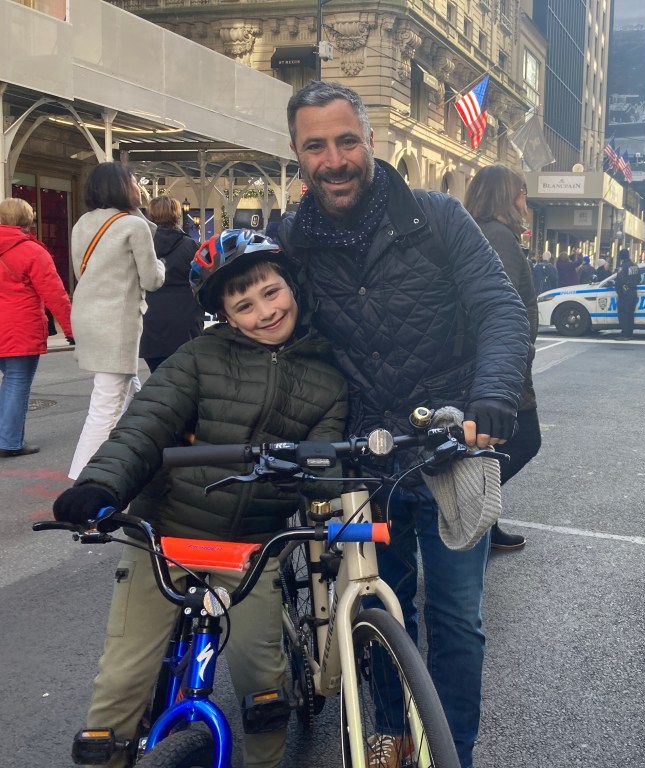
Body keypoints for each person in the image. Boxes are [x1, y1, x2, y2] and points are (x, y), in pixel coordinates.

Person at [277, 80, 528, 768]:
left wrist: (492, 398)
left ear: (370, 141)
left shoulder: (439, 216)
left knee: (456, 622)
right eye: (317, 146)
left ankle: (453, 754)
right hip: (359, 460)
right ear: (298, 155)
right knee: (375, 613)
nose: (335, 159)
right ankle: (390, 732)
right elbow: (262, 333)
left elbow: (500, 310)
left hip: (449, 446)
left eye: (347, 140)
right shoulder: (289, 240)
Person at [50, 230, 350, 768]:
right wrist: (101, 484)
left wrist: (312, 478)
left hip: (251, 549)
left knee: (266, 694)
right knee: (120, 686)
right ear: (227, 317)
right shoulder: (197, 358)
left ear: (292, 287)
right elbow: (146, 423)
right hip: (164, 538)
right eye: (244, 305)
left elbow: (324, 468)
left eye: (272, 293)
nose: (264, 311)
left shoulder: (329, 376)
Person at [68, 162, 165, 479]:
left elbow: (82, 272)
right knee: (106, 405)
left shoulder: (83, 223)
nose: (139, 187)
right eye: (134, 182)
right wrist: (161, 265)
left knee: (131, 392)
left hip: (87, 314)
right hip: (115, 320)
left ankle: (135, 456)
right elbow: (152, 279)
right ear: (122, 187)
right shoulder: (134, 227)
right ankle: (85, 478)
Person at [464, 164, 541, 553]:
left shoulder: (485, 234)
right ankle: (472, 509)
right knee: (525, 440)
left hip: (498, 363)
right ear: (506, 197)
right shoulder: (498, 237)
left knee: (491, 446)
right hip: (503, 365)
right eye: (522, 193)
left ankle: (486, 522)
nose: (526, 202)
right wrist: (516, 356)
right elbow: (503, 307)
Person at [0, 198, 73, 457]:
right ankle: (9, 441)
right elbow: (55, 294)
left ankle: (5, 436)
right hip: (19, 326)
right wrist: (71, 329)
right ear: (26, 220)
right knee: (17, 382)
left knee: (9, 383)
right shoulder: (32, 251)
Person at [139, 195, 204, 372]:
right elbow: (203, 281)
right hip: (185, 323)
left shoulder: (143, 247)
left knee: (157, 375)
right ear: (177, 215)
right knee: (185, 378)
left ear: (150, 216)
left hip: (150, 321)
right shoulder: (192, 247)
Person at [613, 248, 641, 340]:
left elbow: (619, 280)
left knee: (623, 314)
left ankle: (625, 334)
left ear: (621, 257)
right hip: (633, 292)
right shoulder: (635, 266)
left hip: (625, 293)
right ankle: (630, 333)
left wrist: (618, 290)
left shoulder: (623, 267)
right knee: (630, 314)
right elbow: (639, 279)